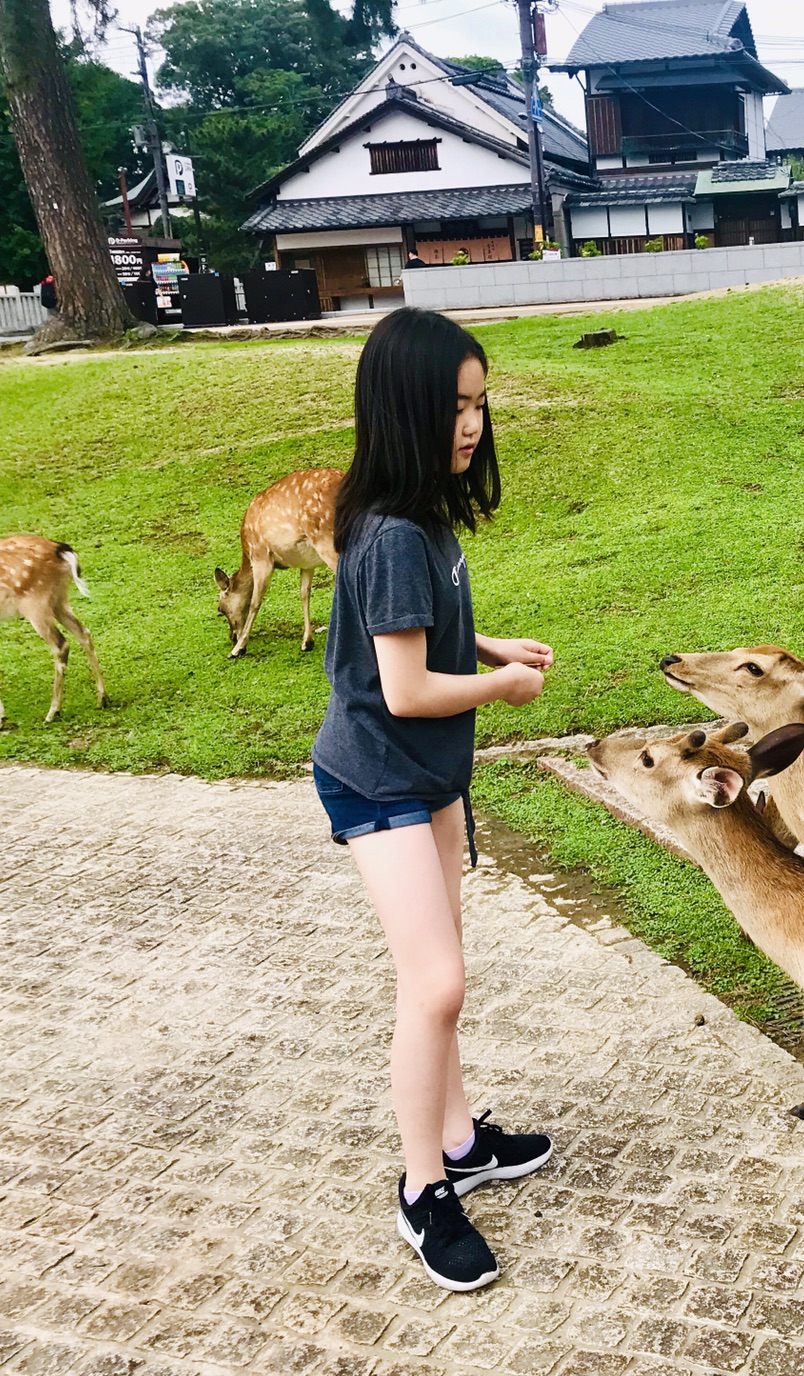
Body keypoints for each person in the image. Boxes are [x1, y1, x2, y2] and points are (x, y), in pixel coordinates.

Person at [312, 306, 557, 1292]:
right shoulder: (393, 534)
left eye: (480, 404)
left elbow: (411, 634)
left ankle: (458, 1140)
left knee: (439, 975)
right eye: (456, 406)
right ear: (405, 409)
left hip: (427, 772)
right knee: (437, 985)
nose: (472, 424)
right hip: (376, 775)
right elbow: (405, 690)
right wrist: (501, 689)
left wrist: (487, 645)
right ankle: (422, 1191)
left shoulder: (419, 517)